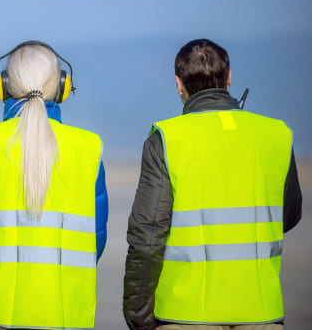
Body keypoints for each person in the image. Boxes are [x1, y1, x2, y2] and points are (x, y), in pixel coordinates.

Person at [123, 38, 302, 330]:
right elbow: (289, 216)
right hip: (262, 311)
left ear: (179, 84)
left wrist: (137, 314)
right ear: (229, 78)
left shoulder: (167, 139)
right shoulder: (276, 135)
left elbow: (148, 236)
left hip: (184, 315)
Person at [0, 41, 108, 330]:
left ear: (3, 86)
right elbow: (95, 238)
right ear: (62, 87)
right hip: (66, 313)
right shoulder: (89, 148)